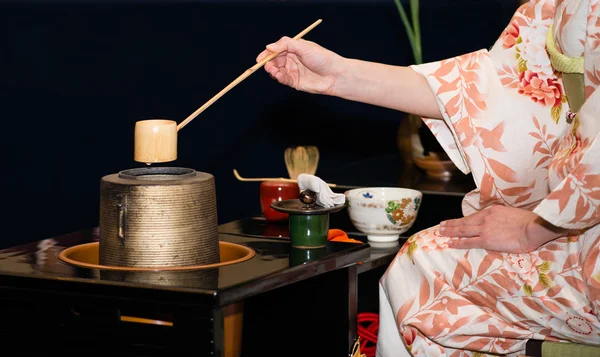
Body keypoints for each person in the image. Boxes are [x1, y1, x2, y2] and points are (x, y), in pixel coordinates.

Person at [257, 0, 600, 356]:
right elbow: (492, 91)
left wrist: (534, 229)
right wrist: (337, 75)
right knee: (427, 257)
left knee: (426, 269)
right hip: (579, 214)